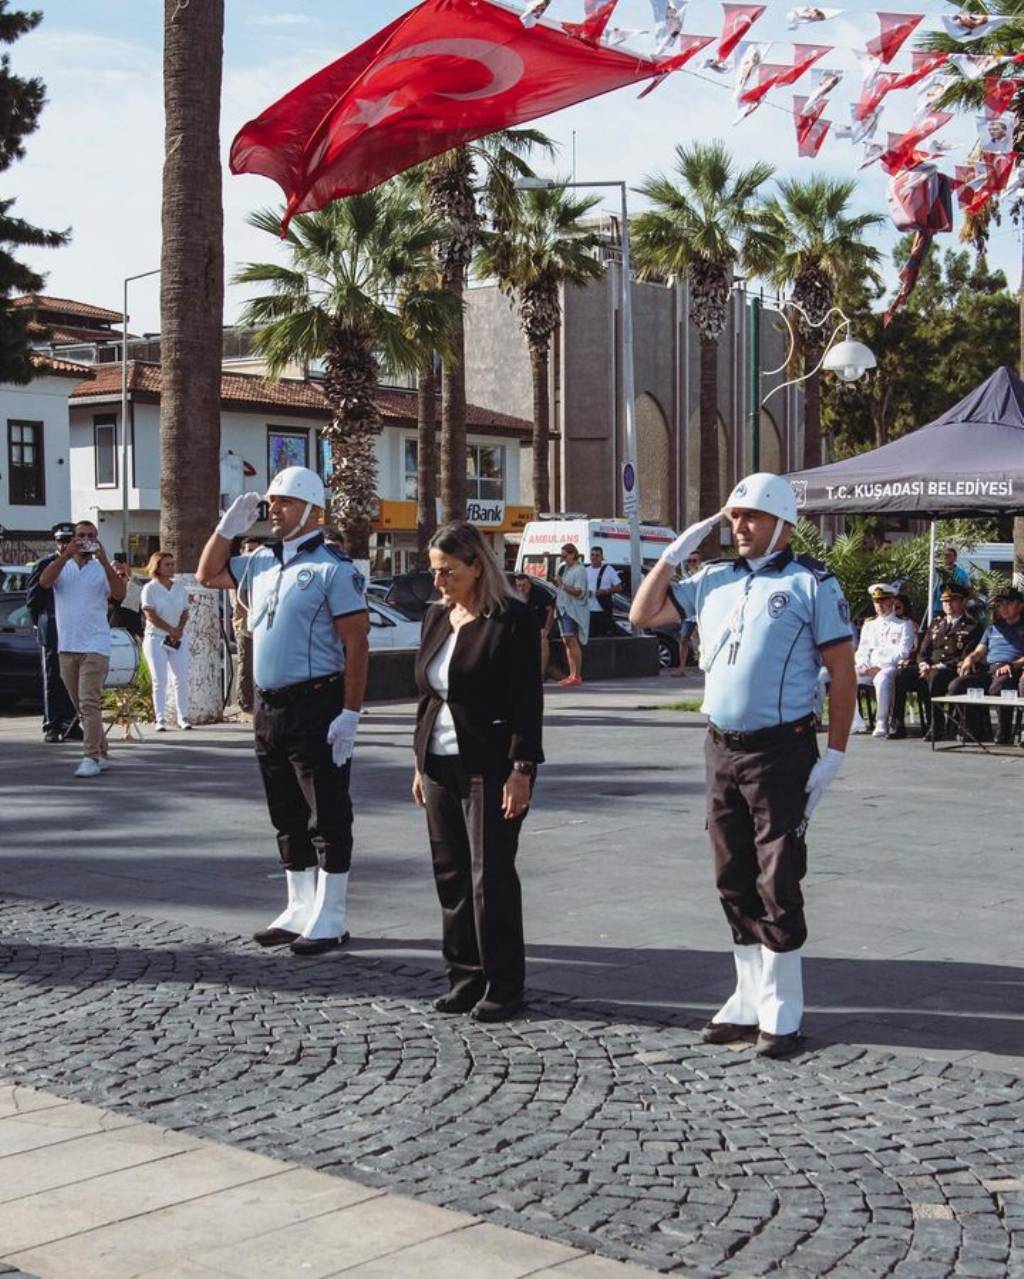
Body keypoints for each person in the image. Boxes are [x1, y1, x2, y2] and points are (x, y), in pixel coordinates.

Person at [630, 473, 855, 1058]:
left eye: (751, 516)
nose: (739, 527)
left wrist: (835, 752)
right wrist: (674, 553)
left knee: (777, 874)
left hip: (781, 749)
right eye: (733, 517)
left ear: (782, 523)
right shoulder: (714, 580)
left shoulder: (811, 583)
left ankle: (783, 1007)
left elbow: (844, 670)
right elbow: (641, 614)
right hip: (720, 745)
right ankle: (747, 996)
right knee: (730, 872)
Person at [197, 466, 369, 955]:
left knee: (327, 811)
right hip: (269, 705)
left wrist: (351, 713)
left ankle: (331, 913)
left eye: (286, 502)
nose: (274, 509)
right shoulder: (261, 562)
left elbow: (356, 645)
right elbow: (210, 574)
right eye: (272, 501)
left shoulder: (335, 569)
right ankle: (299, 905)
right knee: (285, 809)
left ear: (313, 510)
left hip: (317, 702)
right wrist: (225, 531)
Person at [412, 522, 543, 1022]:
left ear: (475, 565)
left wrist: (521, 768)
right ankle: (464, 977)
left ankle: (504, 985)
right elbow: (427, 697)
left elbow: (527, 700)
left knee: (491, 876)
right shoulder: (437, 617)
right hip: (439, 761)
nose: (438, 581)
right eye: (433, 572)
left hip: (491, 766)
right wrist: (419, 764)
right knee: (450, 874)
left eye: (447, 572)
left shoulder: (511, 618)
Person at [37, 519, 126, 777]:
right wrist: (65, 556)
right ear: (72, 538)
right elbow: (44, 582)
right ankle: (103, 751)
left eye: (91, 535)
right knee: (82, 706)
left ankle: (91, 757)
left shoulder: (102, 568)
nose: (85, 539)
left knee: (89, 703)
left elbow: (119, 594)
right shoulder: (61, 566)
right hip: (67, 645)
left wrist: (105, 560)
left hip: (95, 645)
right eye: (81, 535)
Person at [893, 585, 982, 741]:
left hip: (951, 669)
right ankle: (898, 725)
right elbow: (923, 652)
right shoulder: (936, 623)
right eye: (945, 601)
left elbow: (965, 656)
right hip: (929, 667)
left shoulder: (972, 626)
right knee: (901, 675)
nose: (948, 604)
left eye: (953, 600)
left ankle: (936, 726)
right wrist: (923, 664)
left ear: (963, 602)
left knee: (935, 676)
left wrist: (936, 667)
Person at [948, 587, 1024, 744]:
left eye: (1008, 603)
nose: (1003, 607)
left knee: (999, 686)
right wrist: (970, 659)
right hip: (989, 670)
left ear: (1020, 605)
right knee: (957, 686)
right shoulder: (992, 628)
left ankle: (1004, 733)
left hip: (1012, 670)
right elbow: (979, 652)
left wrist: (1013, 664)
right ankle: (975, 730)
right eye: (1000, 604)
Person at [26, 523, 80, 743]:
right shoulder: (46, 564)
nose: (66, 545)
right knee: (53, 678)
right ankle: (53, 725)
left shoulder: (81, 563)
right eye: (61, 541)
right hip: (53, 625)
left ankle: (72, 723)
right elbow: (33, 599)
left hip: (74, 627)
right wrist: (40, 623)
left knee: (73, 678)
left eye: (70, 540)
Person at [854, 583, 915, 738]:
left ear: (892, 601)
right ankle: (856, 721)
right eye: (876, 601)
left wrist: (879, 667)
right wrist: (863, 664)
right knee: (847, 676)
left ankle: (881, 721)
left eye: (883, 600)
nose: (879, 604)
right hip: (869, 667)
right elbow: (862, 649)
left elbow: (903, 652)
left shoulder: (904, 624)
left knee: (882, 678)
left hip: (891, 667)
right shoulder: (869, 624)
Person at [140, 550, 192, 731]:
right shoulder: (150, 588)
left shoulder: (179, 587)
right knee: (159, 679)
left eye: (172, 564)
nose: (171, 568)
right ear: (157, 567)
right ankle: (160, 718)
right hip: (156, 638)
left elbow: (185, 611)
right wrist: (170, 629)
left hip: (177, 638)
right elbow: (150, 614)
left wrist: (179, 630)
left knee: (181, 678)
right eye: (167, 564)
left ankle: (183, 716)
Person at [232, 534, 261, 714]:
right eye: (249, 550)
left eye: (255, 551)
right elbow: (238, 603)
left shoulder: (262, 572)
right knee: (246, 664)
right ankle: (246, 705)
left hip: (262, 626)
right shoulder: (237, 572)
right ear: (242, 551)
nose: (251, 555)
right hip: (245, 626)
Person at [554, 543, 589, 686]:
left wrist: (562, 584)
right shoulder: (565, 568)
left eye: (565, 555)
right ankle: (571, 673)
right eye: (561, 556)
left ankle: (577, 675)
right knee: (566, 641)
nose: (563, 559)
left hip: (572, 609)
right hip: (562, 607)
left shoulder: (580, 570)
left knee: (571, 640)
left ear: (573, 554)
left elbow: (579, 591)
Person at [512, 571, 555, 679]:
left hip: (541, 625)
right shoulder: (514, 595)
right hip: (523, 626)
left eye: (524, 585)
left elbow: (551, 611)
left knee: (543, 641)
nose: (521, 589)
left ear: (529, 584)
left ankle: (540, 674)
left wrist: (546, 629)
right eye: (519, 586)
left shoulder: (540, 593)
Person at [586, 547, 621, 638]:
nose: (594, 557)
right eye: (592, 555)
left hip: (604, 611)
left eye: (597, 555)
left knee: (603, 639)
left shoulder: (608, 569)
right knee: (590, 639)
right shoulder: (585, 571)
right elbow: (580, 589)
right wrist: (585, 593)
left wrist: (606, 591)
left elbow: (619, 587)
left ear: (602, 557)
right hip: (588, 611)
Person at [109, 558, 145, 639]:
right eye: (116, 576)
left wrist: (130, 574)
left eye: (122, 575)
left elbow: (142, 589)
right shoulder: (109, 591)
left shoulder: (133, 590)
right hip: (113, 635)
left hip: (132, 636)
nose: (120, 578)